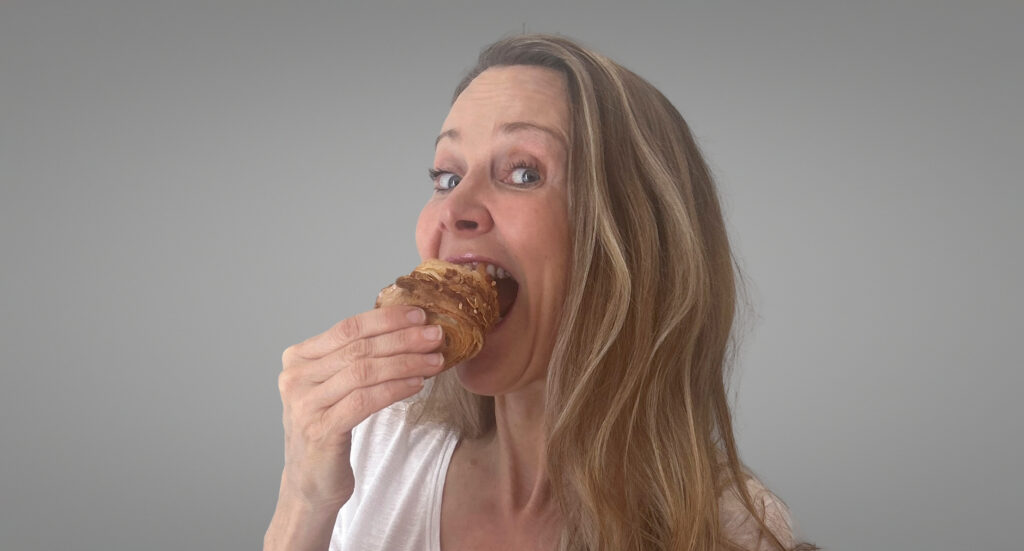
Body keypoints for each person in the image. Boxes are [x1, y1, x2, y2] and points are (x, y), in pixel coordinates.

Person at [264, 34, 820, 551]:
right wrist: (304, 500)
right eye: (446, 177)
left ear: (629, 235)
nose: (453, 210)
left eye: (524, 173)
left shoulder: (729, 527)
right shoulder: (376, 452)